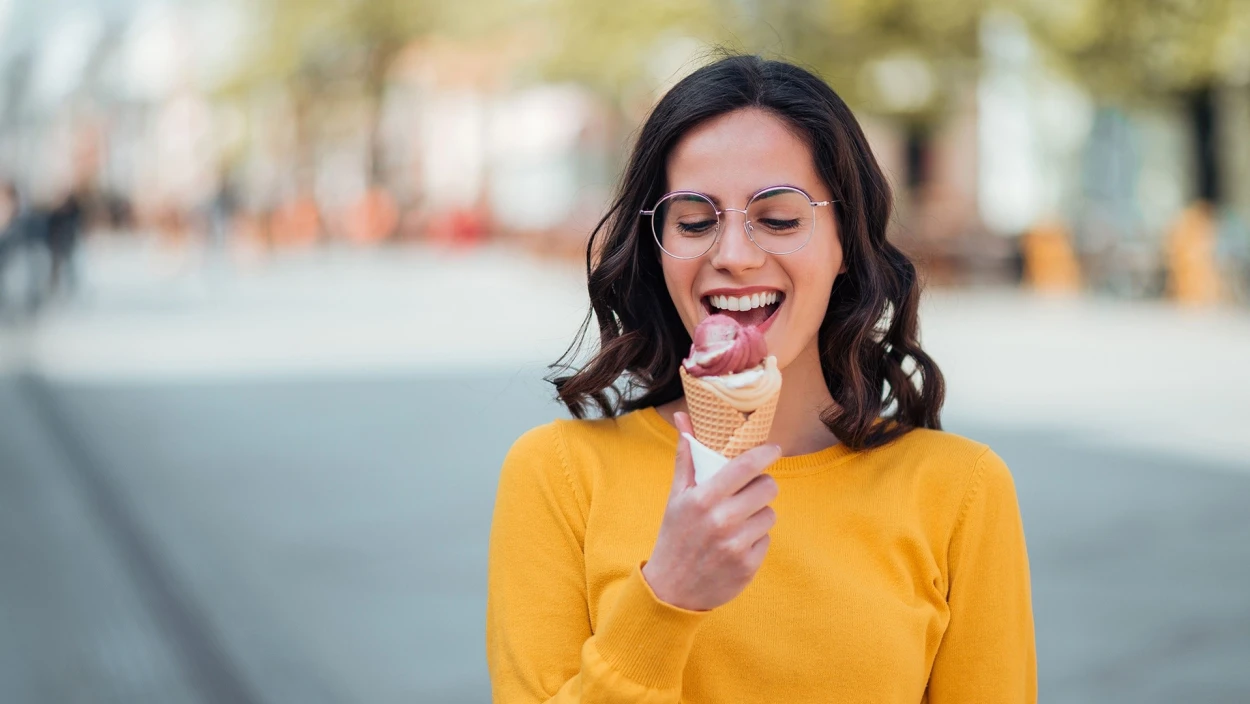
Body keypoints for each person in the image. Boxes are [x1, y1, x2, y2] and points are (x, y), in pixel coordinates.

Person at [486, 55, 1035, 703]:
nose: (734, 256)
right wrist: (664, 601)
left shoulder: (960, 490)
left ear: (843, 244)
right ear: (658, 244)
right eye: (694, 221)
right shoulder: (560, 475)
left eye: (778, 218)